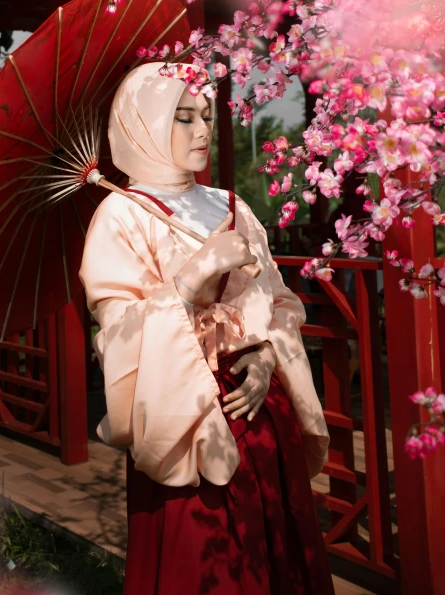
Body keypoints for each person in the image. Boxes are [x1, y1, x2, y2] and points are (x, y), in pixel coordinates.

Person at [79, 61, 334, 595]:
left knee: (280, 553)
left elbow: (280, 301)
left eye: (205, 116)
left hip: (260, 408)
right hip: (183, 420)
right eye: (182, 118)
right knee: (203, 561)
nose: (202, 131)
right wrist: (195, 274)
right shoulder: (120, 216)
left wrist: (266, 358)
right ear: (144, 123)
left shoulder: (229, 204)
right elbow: (120, 335)